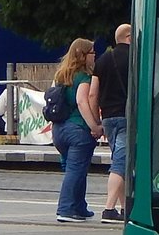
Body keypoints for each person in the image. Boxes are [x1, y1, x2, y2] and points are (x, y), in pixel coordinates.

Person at [52, 38, 102, 223]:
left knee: (75, 168)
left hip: (59, 129)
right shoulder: (83, 77)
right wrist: (95, 126)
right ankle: (65, 209)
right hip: (78, 129)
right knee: (75, 169)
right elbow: (83, 101)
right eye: (92, 52)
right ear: (83, 55)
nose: (95, 55)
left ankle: (80, 207)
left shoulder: (61, 76)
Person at [90, 23, 130, 223]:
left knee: (120, 160)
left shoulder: (103, 60)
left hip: (107, 118)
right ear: (129, 37)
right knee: (121, 164)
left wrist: (97, 121)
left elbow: (92, 93)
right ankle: (108, 209)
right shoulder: (136, 59)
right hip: (127, 117)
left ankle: (125, 209)